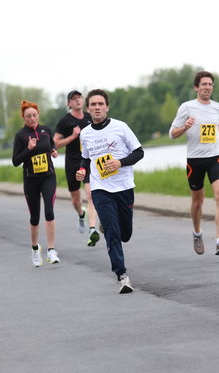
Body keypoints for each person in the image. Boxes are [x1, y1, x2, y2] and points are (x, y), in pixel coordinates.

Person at [76, 89, 144, 294]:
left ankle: (108, 226)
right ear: (88, 109)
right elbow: (86, 158)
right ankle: (122, 275)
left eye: (100, 104)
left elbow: (139, 152)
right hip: (100, 189)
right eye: (93, 105)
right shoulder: (85, 133)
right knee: (113, 233)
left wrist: (120, 163)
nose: (97, 107)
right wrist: (81, 170)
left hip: (124, 187)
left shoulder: (120, 127)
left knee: (125, 233)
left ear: (107, 106)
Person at [169, 71, 219, 256]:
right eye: (204, 84)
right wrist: (185, 127)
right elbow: (172, 134)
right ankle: (197, 233)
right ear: (196, 88)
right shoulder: (187, 107)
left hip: (215, 158)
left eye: (210, 84)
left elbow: (216, 126)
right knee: (198, 202)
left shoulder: (217, 107)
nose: (207, 87)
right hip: (195, 161)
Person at [12, 100, 60, 267]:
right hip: (31, 180)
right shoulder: (20, 135)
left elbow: (51, 145)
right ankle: (34, 249)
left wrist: (53, 151)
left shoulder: (46, 130)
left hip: (48, 176)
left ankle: (52, 250)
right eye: (28, 116)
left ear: (38, 115)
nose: (32, 118)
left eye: (34, 115)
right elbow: (16, 161)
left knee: (49, 211)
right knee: (34, 217)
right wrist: (29, 150)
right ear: (23, 118)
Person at [54, 90, 100, 247]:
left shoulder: (90, 118)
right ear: (69, 104)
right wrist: (73, 137)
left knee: (90, 194)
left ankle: (93, 229)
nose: (77, 101)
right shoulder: (65, 121)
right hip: (72, 162)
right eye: (73, 99)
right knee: (76, 200)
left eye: (79, 98)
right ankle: (81, 214)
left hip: (88, 161)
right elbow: (54, 144)